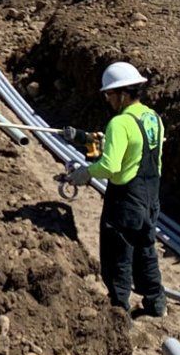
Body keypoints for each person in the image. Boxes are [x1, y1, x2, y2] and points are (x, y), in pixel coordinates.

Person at [64, 61, 166, 318]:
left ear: (122, 93)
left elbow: (110, 165)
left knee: (117, 255)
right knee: (145, 250)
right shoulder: (152, 117)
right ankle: (156, 304)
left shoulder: (119, 123)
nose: (107, 99)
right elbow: (144, 152)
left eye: (109, 94)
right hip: (150, 196)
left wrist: (86, 172)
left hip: (125, 200)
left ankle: (119, 311)